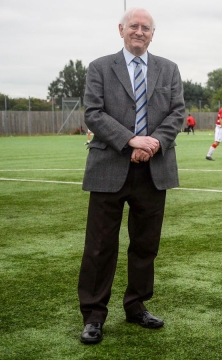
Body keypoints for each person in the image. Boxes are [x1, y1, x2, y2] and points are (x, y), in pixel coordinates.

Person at [78, 7, 185, 345]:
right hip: (109, 167)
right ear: (121, 29)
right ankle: (94, 315)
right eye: (134, 26)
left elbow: (177, 112)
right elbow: (93, 113)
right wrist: (130, 140)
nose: (140, 32)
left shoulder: (169, 69)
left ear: (153, 34)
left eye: (146, 28)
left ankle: (136, 305)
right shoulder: (100, 67)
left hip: (153, 170)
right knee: (99, 246)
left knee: (145, 245)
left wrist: (152, 143)